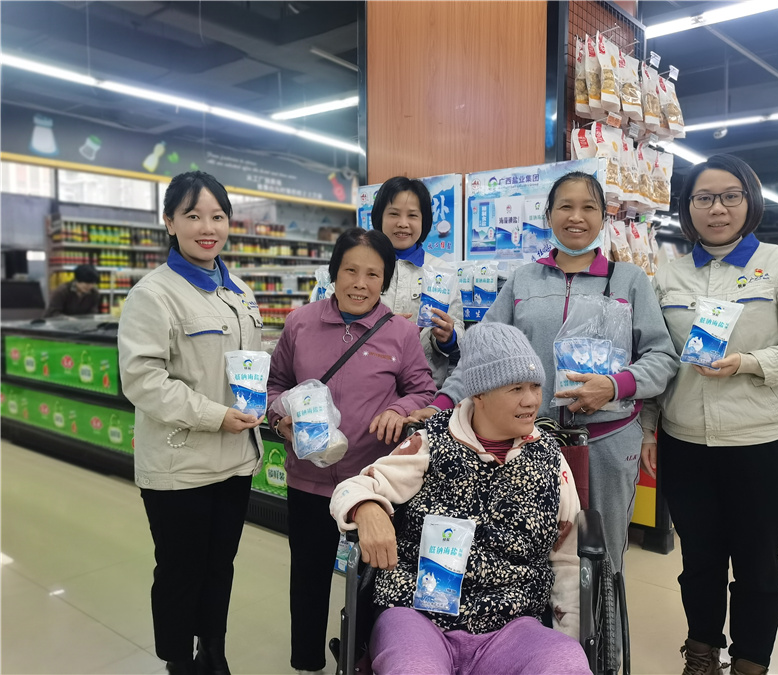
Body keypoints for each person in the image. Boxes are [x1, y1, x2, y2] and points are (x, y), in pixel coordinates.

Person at [408, 171, 678, 590]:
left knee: (603, 558)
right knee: (532, 554)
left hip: (608, 441)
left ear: (603, 217)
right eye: (565, 206)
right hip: (529, 443)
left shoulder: (629, 280)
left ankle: (602, 632)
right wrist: (442, 405)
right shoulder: (523, 280)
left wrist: (614, 386)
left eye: (588, 207)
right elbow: (482, 353)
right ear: (548, 215)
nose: (576, 217)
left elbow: (662, 357)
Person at [639, 154, 778, 675]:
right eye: (703, 198)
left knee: (757, 562)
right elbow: (656, 357)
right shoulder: (669, 275)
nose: (717, 209)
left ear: (750, 201)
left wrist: (751, 363)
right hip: (686, 443)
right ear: (687, 208)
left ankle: (752, 661)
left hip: (761, 443)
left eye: (730, 196)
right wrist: (648, 430)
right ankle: (701, 652)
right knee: (699, 559)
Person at [330, 322, 590, 675]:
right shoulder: (430, 443)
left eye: (535, 386)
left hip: (511, 623)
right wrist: (367, 508)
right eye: (516, 388)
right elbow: (351, 488)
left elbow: (568, 560)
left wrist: (570, 635)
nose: (531, 400)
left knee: (566, 663)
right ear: (479, 394)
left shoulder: (549, 459)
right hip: (418, 614)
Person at [266, 227, 437, 673]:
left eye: (373, 274)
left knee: (374, 583)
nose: (360, 284)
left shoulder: (400, 333)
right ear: (334, 273)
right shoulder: (300, 323)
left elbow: (425, 391)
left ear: (385, 280)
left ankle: (363, 658)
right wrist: (280, 419)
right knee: (308, 577)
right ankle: (306, 662)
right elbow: (276, 384)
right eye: (350, 271)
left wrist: (400, 409)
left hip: (373, 485)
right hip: (308, 480)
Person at [118, 172, 265, 675]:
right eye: (193, 216)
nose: (207, 228)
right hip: (180, 465)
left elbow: (250, 367)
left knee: (219, 567)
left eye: (217, 216)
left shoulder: (240, 292)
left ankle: (213, 653)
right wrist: (215, 415)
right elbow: (143, 380)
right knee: (180, 572)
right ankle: (179, 662)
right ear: (169, 222)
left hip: (236, 460)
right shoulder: (153, 294)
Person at [314, 177, 465, 386]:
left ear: (424, 221)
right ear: (379, 217)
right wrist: (375, 327)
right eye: (394, 214)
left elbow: (458, 335)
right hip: (362, 384)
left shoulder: (442, 271)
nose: (403, 223)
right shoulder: (357, 262)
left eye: (412, 215)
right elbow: (330, 316)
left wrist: (448, 337)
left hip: (423, 387)